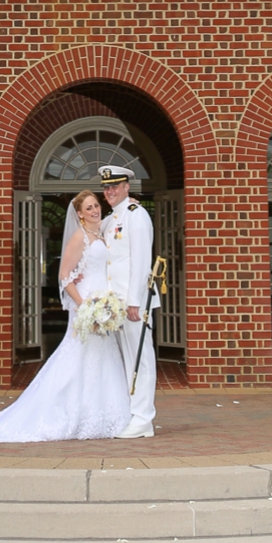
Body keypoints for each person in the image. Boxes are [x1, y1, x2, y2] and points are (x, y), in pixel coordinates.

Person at [0, 189, 131, 444]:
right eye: (89, 208)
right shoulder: (78, 238)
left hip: (103, 306)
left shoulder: (101, 231)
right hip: (86, 307)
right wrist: (85, 307)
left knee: (102, 359)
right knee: (79, 358)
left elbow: (118, 220)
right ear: (80, 214)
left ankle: (104, 414)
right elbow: (64, 276)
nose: (95, 210)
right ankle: (62, 411)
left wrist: (127, 203)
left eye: (96, 206)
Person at [99, 165, 157, 439]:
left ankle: (144, 418)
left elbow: (142, 260)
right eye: (106, 187)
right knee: (125, 361)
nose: (109, 191)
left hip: (133, 303)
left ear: (127, 187)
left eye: (115, 186)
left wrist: (135, 301)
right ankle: (131, 413)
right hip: (115, 303)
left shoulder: (137, 215)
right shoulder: (110, 220)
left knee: (140, 360)